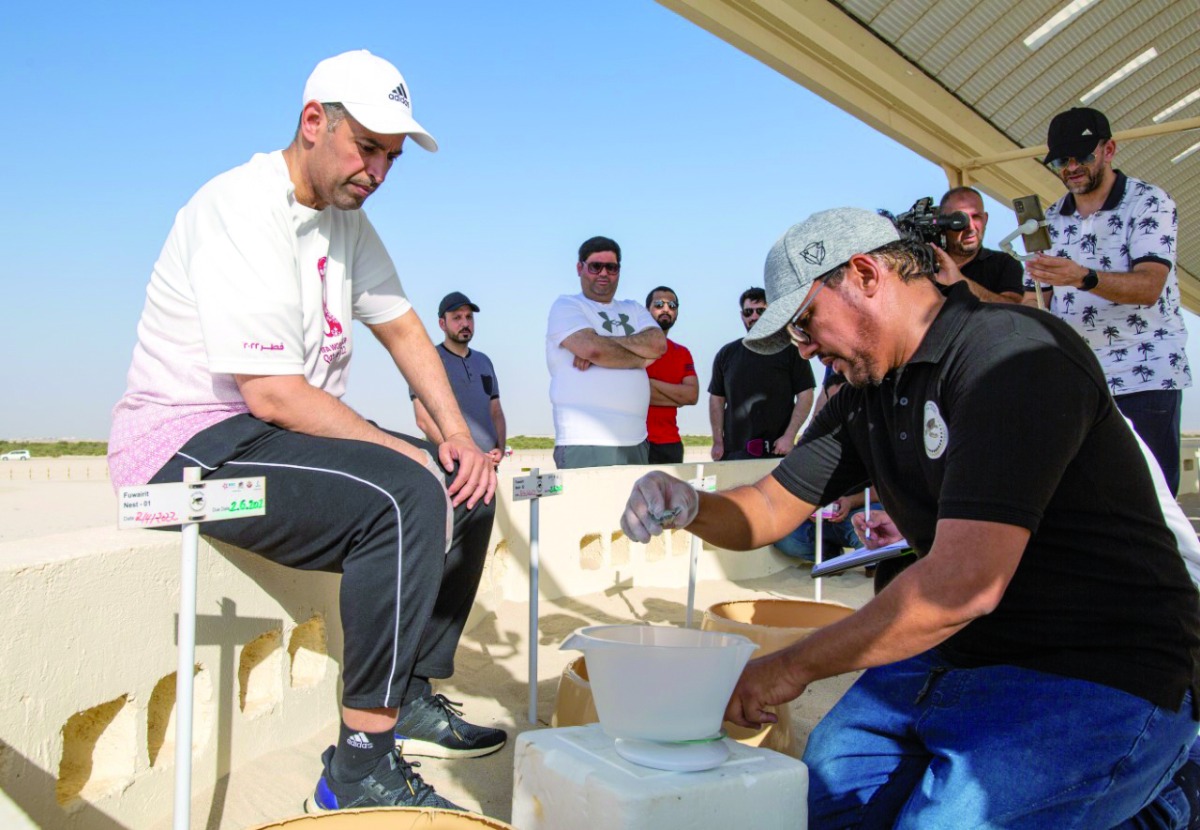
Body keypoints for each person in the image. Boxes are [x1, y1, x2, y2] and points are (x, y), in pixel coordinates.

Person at [620, 207, 1200, 828]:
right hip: (962, 653)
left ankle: (1165, 795)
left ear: (866, 274)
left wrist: (787, 669)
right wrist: (688, 503)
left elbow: (961, 585)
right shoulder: (868, 393)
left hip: (1102, 668)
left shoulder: (1015, 356)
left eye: (805, 322)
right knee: (820, 802)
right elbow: (765, 508)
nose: (807, 347)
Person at [108, 51, 505, 815]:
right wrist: (405, 454)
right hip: (183, 450)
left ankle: (412, 690)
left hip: (265, 435)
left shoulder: (346, 223)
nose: (379, 172)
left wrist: (456, 437)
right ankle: (359, 765)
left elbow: (406, 331)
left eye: (391, 157)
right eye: (367, 147)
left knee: (468, 483)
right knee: (405, 494)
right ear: (313, 122)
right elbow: (273, 394)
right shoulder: (239, 205)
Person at [1026, 106, 1190, 495]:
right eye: (1061, 161)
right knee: (1089, 499)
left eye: (1082, 156)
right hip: (1078, 382)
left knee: (1152, 499)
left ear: (1109, 149)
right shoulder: (1048, 219)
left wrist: (1082, 277)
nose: (1071, 168)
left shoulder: (1150, 202)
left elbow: (1149, 286)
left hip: (1144, 377)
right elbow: (1035, 302)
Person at [545, 237, 666, 469]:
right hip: (585, 438)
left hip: (636, 440)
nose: (603, 273)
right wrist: (640, 358)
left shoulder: (633, 308)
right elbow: (591, 348)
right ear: (580, 268)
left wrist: (601, 347)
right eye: (595, 266)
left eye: (611, 267)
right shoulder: (566, 306)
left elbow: (658, 345)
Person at [708, 287, 815, 461]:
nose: (754, 317)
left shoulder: (791, 350)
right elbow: (716, 399)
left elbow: (806, 395)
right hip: (735, 452)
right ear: (742, 315)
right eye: (748, 312)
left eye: (760, 311)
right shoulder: (726, 354)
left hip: (777, 450)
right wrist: (718, 441)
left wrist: (789, 436)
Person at [412, 291, 506, 467]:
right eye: (457, 318)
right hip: (452, 468)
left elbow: (496, 412)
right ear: (442, 324)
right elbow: (423, 419)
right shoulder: (427, 360)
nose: (465, 323)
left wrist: (500, 448)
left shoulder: (484, 361)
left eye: (469, 317)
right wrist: (459, 453)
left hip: (488, 467)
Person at [933, 186, 1025, 303]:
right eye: (959, 219)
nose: (970, 227)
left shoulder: (1004, 264)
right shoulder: (923, 265)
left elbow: (1016, 311)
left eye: (976, 217)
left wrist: (960, 281)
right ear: (942, 222)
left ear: (985, 219)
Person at [644, 286, 698, 464]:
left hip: (671, 443)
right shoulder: (633, 347)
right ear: (647, 310)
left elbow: (691, 396)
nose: (666, 309)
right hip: (638, 441)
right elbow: (631, 393)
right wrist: (676, 397)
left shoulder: (682, 353)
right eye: (659, 304)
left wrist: (649, 383)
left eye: (672, 305)